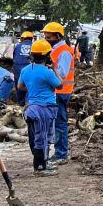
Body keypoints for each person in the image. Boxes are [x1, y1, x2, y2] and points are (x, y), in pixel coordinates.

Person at [18, 40, 62, 176]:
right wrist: (55, 68)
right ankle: (40, 168)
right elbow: (60, 85)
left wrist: (32, 88)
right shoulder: (47, 72)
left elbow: (20, 87)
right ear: (47, 56)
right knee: (44, 138)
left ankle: (43, 162)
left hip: (31, 108)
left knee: (38, 137)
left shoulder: (25, 70)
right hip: (45, 109)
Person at [42, 22, 75, 164]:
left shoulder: (64, 51)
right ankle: (60, 152)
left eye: (48, 37)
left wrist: (51, 66)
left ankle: (61, 154)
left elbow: (62, 73)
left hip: (61, 92)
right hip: (56, 91)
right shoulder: (56, 49)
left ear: (57, 36)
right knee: (56, 123)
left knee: (60, 123)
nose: (46, 39)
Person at [11, 32, 34, 103]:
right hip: (30, 69)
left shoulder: (17, 46)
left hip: (18, 70)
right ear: (32, 39)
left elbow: (14, 58)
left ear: (22, 38)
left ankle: (20, 103)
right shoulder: (34, 46)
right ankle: (28, 103)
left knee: (19, 87)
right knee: (30, 87)